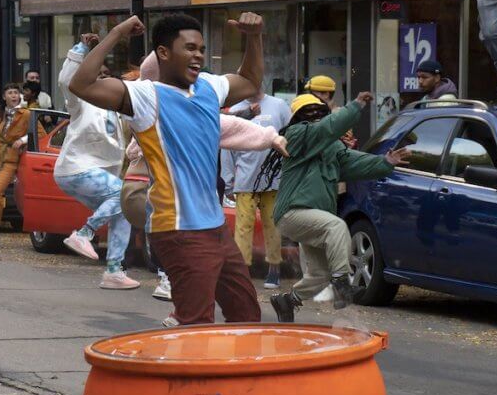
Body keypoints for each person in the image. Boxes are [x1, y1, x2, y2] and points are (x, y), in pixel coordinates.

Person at [69, 12, 265, 326]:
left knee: (246, 315)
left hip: (215, 229)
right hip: (179, 231)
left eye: (201, 48)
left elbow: (251, 81)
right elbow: (82, 83)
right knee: (196, 323)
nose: (198, 55)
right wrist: (117, 33)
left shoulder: (209, 88)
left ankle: (231, 374)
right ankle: (185, 372)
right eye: (189, 48)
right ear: (163, 53)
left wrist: (253, 38)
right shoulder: (145, 96)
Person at [121, 51, 289, 306]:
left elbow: (234, 126)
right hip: (162, 205)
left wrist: (271, 137)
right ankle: (174, 283)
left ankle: (178, 289)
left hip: (191, 212)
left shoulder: (196, 110)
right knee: (192, 260)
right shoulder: (153, 109)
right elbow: (134, 146)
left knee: (221, 282)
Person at [269, 91, 410, 323]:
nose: (315, 117)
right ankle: (342, 285)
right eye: (308, 113)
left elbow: (355, 162)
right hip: (291, 213)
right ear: (297, 118)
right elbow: (326, 129)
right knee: (336, 226)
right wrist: (354, 106)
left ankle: (288, 300)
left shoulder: (331, 148)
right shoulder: (296, 135)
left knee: (319, 275)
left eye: (319, 113)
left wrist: (385, 162)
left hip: (314, 218)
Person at [53, 35, 136, 289]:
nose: (101, 78)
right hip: (75, 168)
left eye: (105, 74)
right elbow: (67, 80)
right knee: (123, 195)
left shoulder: (117, 109)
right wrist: (81, 49)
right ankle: (84, 233)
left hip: (94, 173)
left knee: (126, 209)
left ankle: (113, 270)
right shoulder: (80, 101)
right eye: (96, 74)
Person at [223, 89, 292, 289]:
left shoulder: (279, 106)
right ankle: (241, 272)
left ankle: (274, 268)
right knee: (243, 227)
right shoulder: (236, 110)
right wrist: (228, 180)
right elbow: (227, 148)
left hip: (274, 179)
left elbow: (290, 135)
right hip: (245, 179)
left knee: (273, 225)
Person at [0, 84, 34, 248]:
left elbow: (38, 135)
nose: (14, 96)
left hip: (10, 156)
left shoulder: (26, 114)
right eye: (10, 93)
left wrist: (23, 140)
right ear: (4, 97)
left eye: (16, 93)